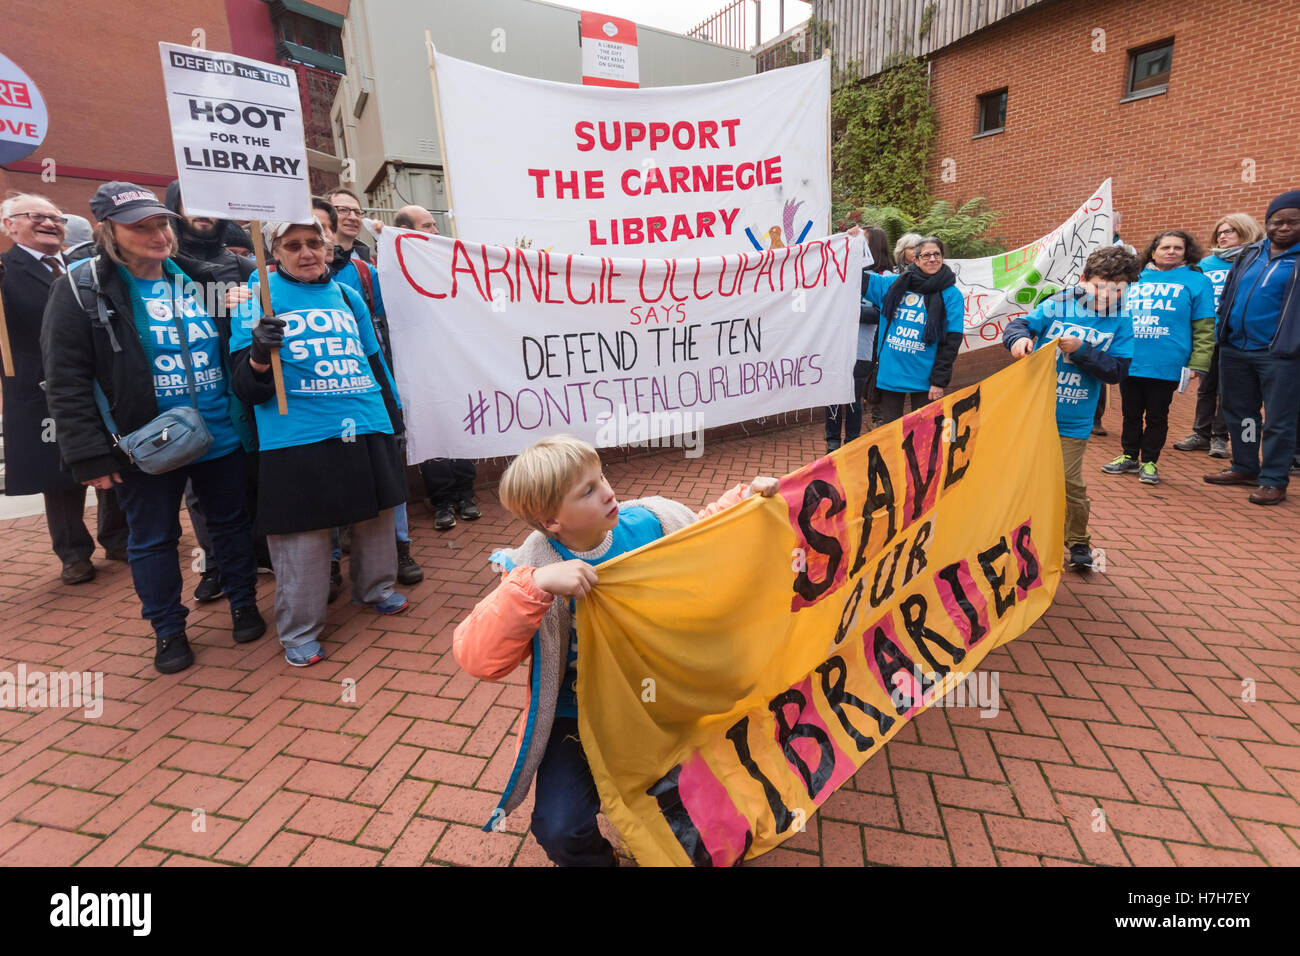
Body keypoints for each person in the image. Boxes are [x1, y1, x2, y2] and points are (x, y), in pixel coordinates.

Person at [452, 435, 778, 865]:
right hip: (580, 715)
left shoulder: (648, 524)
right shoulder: (534, 568)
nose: (607, 490)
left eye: (600, 475)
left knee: (699, 786)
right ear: (552, 520)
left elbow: (701, 531)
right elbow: (476, 657)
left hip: (657, 696)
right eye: (587, 490)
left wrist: (746, 498)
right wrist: (536, 586)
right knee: (559, 828)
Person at [41, 182, 265, 673]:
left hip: (219, 432)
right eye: (140, 226)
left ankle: (243, 603)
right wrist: (89, 456)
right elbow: (65, 378)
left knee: (230, 524)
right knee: (154, 538)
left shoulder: (199, 277)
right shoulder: (80, 289)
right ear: (109, 232)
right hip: (147, 444)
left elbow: (240, 334)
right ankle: (168, 630)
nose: (158, 233)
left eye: (162, 222)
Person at [230, 219, 409, 666]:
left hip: (365, 421)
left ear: (328, 247)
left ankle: (375, 589)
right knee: (302, 535)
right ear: (275, 252)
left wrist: (393, 415)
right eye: (294, 246)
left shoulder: (349, 296)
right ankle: (300, 630)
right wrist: (256, 353)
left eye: (314, 243)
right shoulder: (256, 297)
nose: (306, 252)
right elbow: (246, 389)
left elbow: (373, 360)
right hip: (298, 434)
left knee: (377, 517)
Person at [2, 192, 128, 583]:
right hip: (38, 385)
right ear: (10, 226)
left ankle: (118, 536)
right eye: (36, 216)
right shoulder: (5, 270)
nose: (50, 224)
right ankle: (73, 552)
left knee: (110, 455)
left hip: (97, 380)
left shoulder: (82, 265)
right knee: (58, 472)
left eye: (56, 218)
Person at [1004, 246, 1139, 569]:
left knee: (1067, 481)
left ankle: (1078, 541)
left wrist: (1082, 350)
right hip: (1031, 412)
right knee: (1018, 476)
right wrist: (1018, 340)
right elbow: (1020, 325)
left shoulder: (1122, 321)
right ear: (1083, 280)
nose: (1107, 294)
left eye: (1118, 288)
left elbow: (1117, 371)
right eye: (1100, 286)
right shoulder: (1059, 303)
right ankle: (1011, 533)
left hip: (1073, 420)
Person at [163, 180, 265, 602]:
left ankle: (253, 555)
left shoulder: (242, 266)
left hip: (236, 390)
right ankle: (214, 562)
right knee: (198, 493)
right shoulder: (162, 264)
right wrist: (211, 302)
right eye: (191, 202)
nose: (202, 212)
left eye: (210, 202)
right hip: (183, 396)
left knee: (242, 482)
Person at [314, 198, 425, 587]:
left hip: (365, 398)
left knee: (387, 475)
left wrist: (391, 401)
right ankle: (328, 564)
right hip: (312, 409)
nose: (317, 241)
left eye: (322, 230)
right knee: (321, 485)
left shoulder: (361, 273)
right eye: (305, 232)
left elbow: (383, 334)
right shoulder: (264, 288)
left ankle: (399, 548)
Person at [1204, 190, 1300, 505]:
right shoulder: (1251, 253)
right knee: (1241, 413)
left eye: (1292, 222)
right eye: (1276, 221)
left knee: (1279, 419)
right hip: (1235, 348)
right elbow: (1230, 290)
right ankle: (1245, 465)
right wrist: (1223, 328)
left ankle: (1274, 479)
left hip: (1281, 354)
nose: (1283, 228)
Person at [1100, 230, 1214, 485]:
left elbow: (1205, 327)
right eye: (1165, 247)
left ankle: (1149, 461)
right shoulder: (1134, 279)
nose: (1171, 251)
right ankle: (1129, 456)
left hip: (1167, 363)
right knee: (1130, 413)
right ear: (1153, 251)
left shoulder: (1197, 281)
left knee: (1157, 416)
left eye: (1178, 248)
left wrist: (1198, 363)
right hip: (1130, 358)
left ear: (1187, 253)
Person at [1173, 213, 1265, 459]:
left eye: (1229, 231)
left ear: (1245, 232)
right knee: (1206, 388)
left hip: (1237, 338)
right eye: (1220, 232)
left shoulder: (1256, 261)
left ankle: (1220, 438)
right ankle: (1200, 434)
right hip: (1207, 337)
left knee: (1228, 391)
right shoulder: (1205, 264)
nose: (1222, 236)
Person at [861, 236, 965, 423]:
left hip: (925, 379)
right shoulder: (893, 284)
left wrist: (938, 381)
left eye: (936, 254)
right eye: (926, 255)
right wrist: (852, 244)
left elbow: (951, 343)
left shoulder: (951, 295)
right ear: (915, 260)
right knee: (890, 432)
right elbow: (857, 279)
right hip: (891, 374)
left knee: (923, 434)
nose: (932, 259)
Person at [826, 226, 892, 452]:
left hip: (861, 352)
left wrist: (847, 311)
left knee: (853, 400)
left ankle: (851, 444)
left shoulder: (884, 280)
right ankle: (832, 444)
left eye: (861, 242)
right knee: (832, 397)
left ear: (873, 247)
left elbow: (880, 314)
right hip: (835, 349)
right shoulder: (841, 275)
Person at [326, 188, 372, 263]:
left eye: (357, 212)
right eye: (343, 210)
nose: (353, 217)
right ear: (326, 214)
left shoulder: (369, 262)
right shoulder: (315, 261)